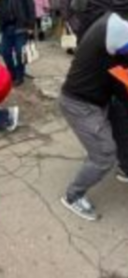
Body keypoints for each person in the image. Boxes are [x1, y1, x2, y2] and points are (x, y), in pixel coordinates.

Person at [60, 12, 128, 221]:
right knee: (104, 154)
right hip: (80, 104)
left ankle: (125, 167)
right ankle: (73, 195)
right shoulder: (119, 28)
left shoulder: (113, 20)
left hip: (101, 97)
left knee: (122, 128)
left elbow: (120, 73)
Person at [0, 0, 36, 87]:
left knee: (20, 53)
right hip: (6, 27)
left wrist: (31, 26)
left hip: (21, 27)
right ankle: (12, 74)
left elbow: (31, 7)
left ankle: (20, 76)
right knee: (5, 52)